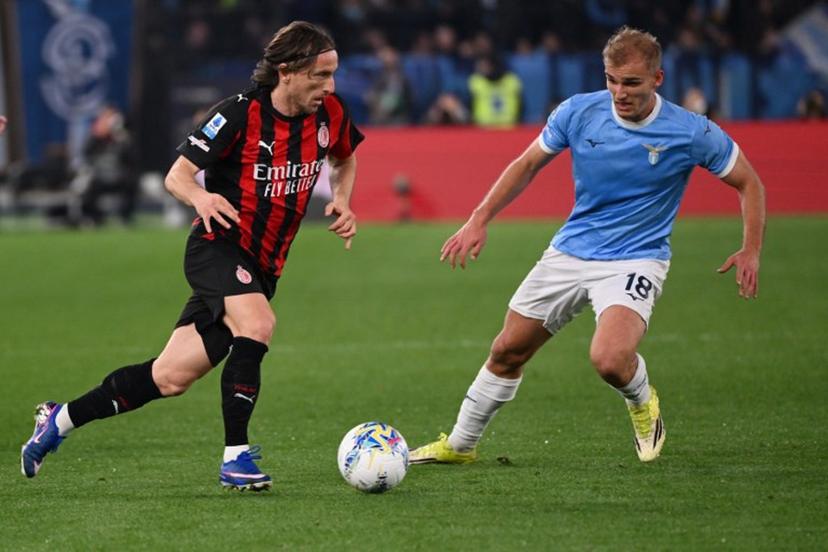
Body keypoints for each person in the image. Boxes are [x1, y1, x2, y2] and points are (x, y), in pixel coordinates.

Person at [21, 21, 363, 491]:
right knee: (258, 325)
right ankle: (236, 458)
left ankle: (58, 421)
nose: (330, 86)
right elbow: (177, 175)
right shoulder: (237, 115)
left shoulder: (331, 115)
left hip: (263, 266)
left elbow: (344, 159)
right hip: (216, 248)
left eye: (333, 75)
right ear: (287, 72)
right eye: (321, 76)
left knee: (168, 377)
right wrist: (201, 199)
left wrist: (343, 199)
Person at [410, 26, 765, 465]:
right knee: (506, 351)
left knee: (611, 359)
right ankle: (461, 446)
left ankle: (641, 402)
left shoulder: (690, 132)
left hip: (637, 259)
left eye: (631, 82)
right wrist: (478, 219)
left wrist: (750, 248)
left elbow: (748, 181)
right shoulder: (578, 112)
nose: (619, 92)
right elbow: (526, 164)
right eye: (612, 80)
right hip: (571, 251)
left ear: (658, 78)